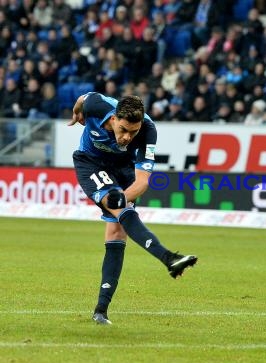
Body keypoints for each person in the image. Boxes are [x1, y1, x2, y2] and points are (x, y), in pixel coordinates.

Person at [68, 92, 198, 325]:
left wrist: (122, 198)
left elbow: (142, 182)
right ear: (114, 119)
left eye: (133, 132)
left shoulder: (148, 130)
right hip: (91, 164)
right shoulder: (96, 106)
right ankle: (168, 258)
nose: (128, 137)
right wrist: (77, 112)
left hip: (124, 170)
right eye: (124, 130)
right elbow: (82, 99)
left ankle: (101, 310)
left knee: (118, 232)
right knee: (122, 212)